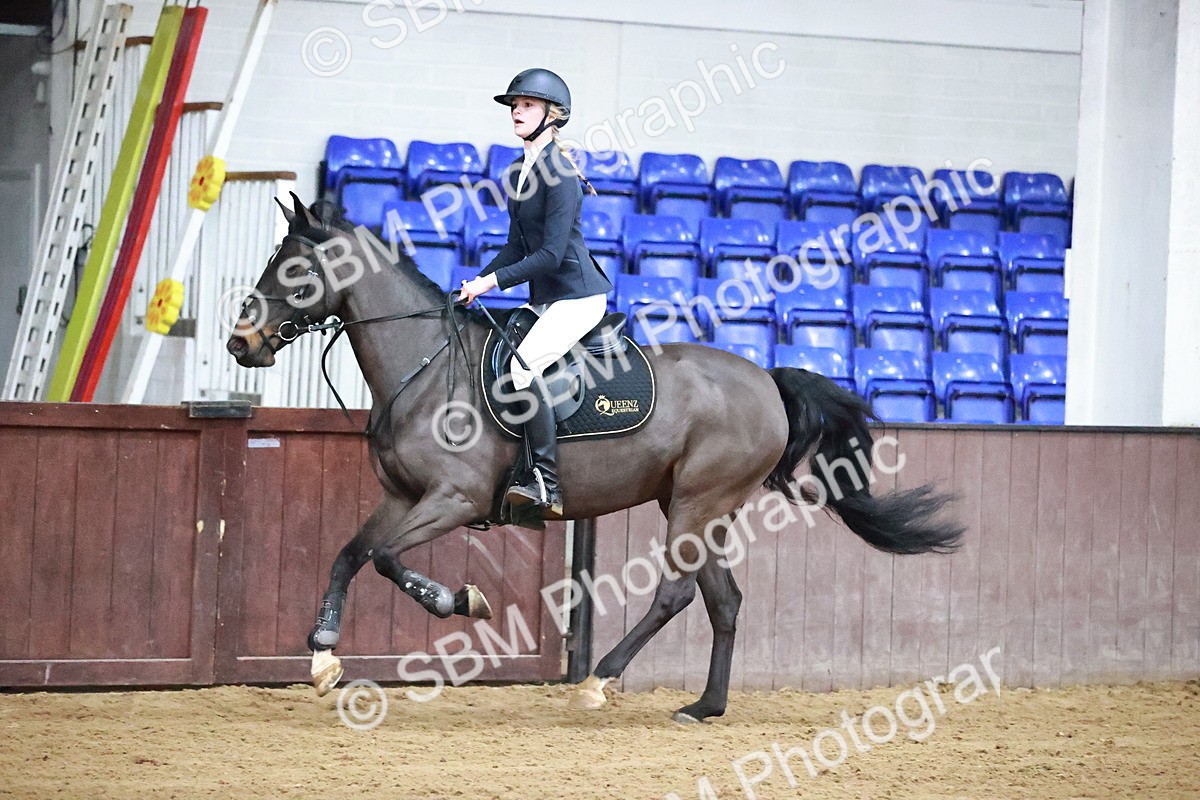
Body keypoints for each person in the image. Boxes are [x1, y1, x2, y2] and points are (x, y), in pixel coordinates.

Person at [458, 68, 613, 520]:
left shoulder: (560, 173)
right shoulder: (517, 169)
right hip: (548, 297)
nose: (516, 112)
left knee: (522, 369)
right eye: (514, 105)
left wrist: (492, 284)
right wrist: (474, 282)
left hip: (578, 296)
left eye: (526, 105)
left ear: (552, 114)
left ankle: (546, 481)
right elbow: (515, 247)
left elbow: (549, 255)